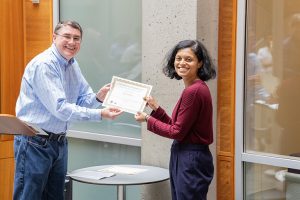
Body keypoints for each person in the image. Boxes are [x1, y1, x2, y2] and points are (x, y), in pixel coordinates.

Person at [14, 20, 123, 200]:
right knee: (29, 196)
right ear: (54, 37)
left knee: (56, 197)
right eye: (67, 36)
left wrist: (98, 97)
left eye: (76, 38)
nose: (72, 42)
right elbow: (61, 109)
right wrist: (100, 114)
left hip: (58, 142)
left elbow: (82, 99)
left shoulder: (72, 64)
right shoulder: (45, 64)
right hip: (35, 142)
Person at [135, 40, 216, 200]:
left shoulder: (193, 91)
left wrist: (148, 118)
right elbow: (179, 126)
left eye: (189, 59)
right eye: (178, 58)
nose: (181, 63)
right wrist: (156, 110)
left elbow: (177, 132)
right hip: (189, 156)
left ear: (200, 63)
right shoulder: (197, 88)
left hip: (190, 158)